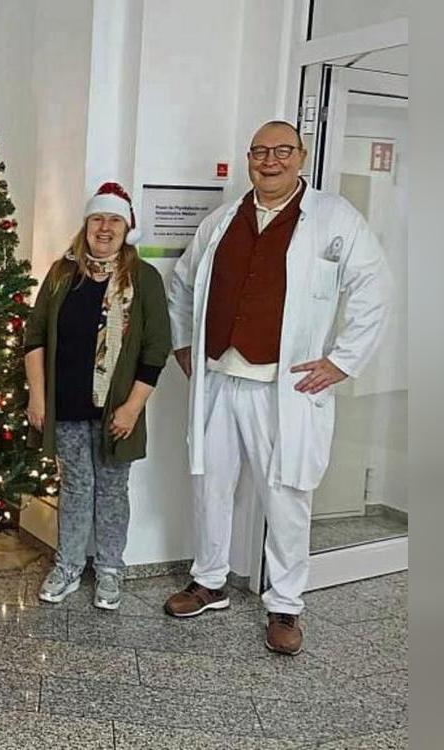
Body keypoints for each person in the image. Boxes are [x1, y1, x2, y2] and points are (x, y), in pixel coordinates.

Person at [165, 121, 392, 655]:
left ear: (301, 156)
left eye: (282, 151)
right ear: (248, 159)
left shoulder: (335, 218)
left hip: (283, 387)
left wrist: (342, 360)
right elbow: (183, 282)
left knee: (287, 496)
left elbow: (373, 288)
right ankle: (210, 580)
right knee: (210, 484)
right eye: (260, 151)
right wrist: (183, 346)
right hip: (220, 377)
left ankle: (286, 604)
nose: (270, 160)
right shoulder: (222, 221)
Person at [25, 182, 172, 610]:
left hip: (117, 410)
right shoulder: (60, 274)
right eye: (97, 219)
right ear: (86, 225)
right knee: (74, 487)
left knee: (111, 489)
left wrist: (132, 407)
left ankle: (109, 570)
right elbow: (34, 336)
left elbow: (155, 349)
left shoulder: (144, 279)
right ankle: (69, 566)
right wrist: (38, 397)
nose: (104, 228)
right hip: (67, 405)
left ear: (127, 228)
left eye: (114, 220)